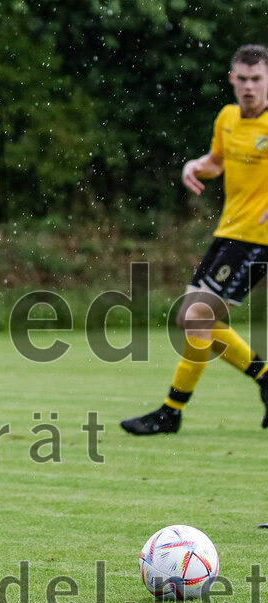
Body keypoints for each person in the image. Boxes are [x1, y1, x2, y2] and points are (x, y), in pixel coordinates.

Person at [121, 45, 268, 436]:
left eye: (257, 79)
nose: (249, 87)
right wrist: (195, 166)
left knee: (197, 316)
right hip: (229, 232)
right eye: (243, 78)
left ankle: (171, 412)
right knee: (196, 319)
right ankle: (258, 381)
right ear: (232, 79)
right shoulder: (228, 118)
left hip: (258, 239)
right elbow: (217, 161)